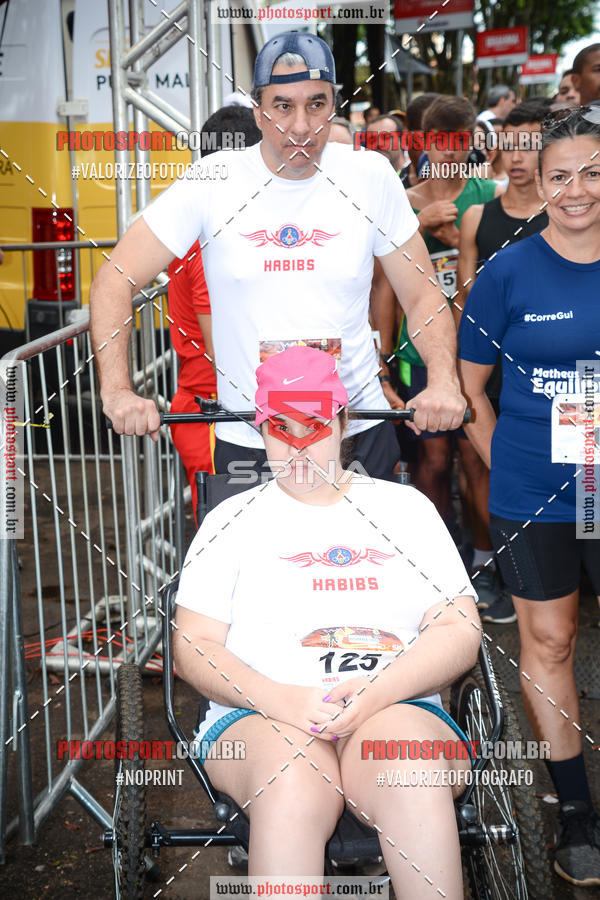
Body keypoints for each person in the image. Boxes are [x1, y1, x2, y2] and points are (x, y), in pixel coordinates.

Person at [90, 32, 466, 485]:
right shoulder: (214, 180)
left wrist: (444, 380)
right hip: (252, 438)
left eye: (316, 104)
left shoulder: (369, 175)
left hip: (357, 432)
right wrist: (117, 390)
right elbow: (114, 278)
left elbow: (423, 293)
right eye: (283, 106)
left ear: (334, 106)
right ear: (258, 111)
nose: (302, 125)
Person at [173, 345, 480, 896]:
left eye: (312, 426)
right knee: (291, 781)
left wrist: (378, 691)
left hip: (395, 702)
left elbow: (459, 630)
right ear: (259, 429)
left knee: (406, 769)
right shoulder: (230, 519)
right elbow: (194, 645)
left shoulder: (405, 510)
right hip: (261, 716)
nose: (296, 448)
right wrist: (282, 699)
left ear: (342, 423)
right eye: (279, 428)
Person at [458, 107, 600, 887]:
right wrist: (500, 460)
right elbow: (469, 389)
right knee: (549, 642)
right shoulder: (507, 271)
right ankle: (574, 811)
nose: (576, 190)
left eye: (592, 172)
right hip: (534, 485)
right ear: (538, 183)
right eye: (560, 176)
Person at [456, 101, 549, 622]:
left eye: (530, 144)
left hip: (552, 370)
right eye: (509, 144)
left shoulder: (568, 211)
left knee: (565, 461)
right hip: (488, 361)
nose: (518, 157)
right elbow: (466, 294)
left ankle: (557, 559)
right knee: (477, 462)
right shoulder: (478, 216)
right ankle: (493, 561)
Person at [394, 96, 501, 537]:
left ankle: (482, 556)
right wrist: (419, 223)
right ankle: (440, 560)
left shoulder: (489, 196)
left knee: (478, 461)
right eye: (441, 141)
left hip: (478, 348)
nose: (451, 152)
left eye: (460, 141)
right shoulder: (403, 202)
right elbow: (382, 283)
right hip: (418, 351)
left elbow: (504, 271)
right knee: (433, 461)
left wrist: (463, 238)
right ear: (423, 142)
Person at [168, 106, 262, 519]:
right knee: (228, 544)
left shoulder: (209, 222)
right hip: (220, 413)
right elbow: (221, 347)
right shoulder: (214, 235)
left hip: (226, 409)